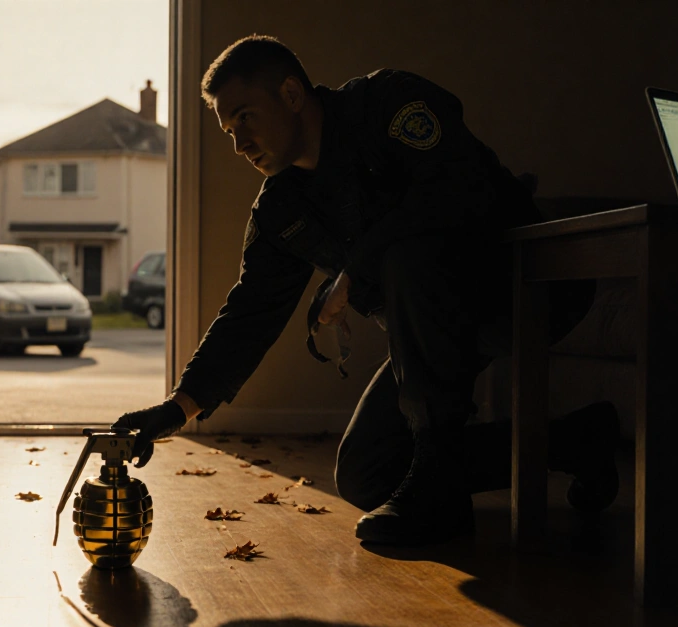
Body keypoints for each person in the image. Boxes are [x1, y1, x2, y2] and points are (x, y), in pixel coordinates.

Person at [112, 35, 619, 545]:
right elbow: (251, 311)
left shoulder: (386, 104)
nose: (239, 144)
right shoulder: (281, 208)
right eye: (228, 130)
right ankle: (575, 441)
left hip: (524, 290)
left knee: (407, 252)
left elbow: (457, 185)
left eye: (245, 117)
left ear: (291, 94)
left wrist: (354, 270)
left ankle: (439, 503)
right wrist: (176, 409)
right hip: (432, 334)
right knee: (366, 473)